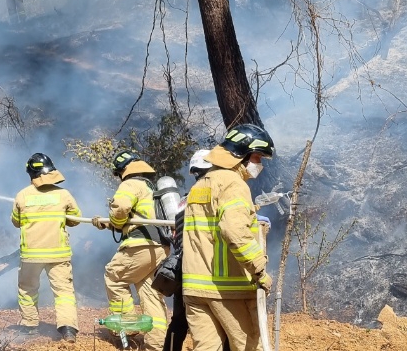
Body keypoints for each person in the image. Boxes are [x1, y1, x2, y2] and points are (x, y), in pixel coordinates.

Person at [182, 124, 275, 351]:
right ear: (240, 154)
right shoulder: (233, 184)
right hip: (228, 288)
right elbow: (234, 231)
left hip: (194, 288)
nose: (258, 164)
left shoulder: (201, 185)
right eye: (257, 157)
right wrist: (260, 270)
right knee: (250, 346)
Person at [90, 150, 169, 351]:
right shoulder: (150, 186)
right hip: (161, 246)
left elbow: (120, 210)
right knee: (150, 293)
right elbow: (136, 218)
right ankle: (157, 344)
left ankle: (129, 326)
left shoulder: (130, 184)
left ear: (122, 170)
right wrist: (107, 224)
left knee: (114, 276)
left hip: (140, 245)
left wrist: (114, 221)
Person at [163, 149, 232, 351]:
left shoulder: (184, 199)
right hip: (209, 269)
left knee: (178, 322)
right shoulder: (215, 194)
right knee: (222, 323)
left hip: (183, 268)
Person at [11, 153, 82, 343]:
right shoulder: (63, 194)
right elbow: (75, 220)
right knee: (63, 291)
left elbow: (16, 222)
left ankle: (30, 325)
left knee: (27, 289)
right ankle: (68, 329)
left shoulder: (22, 195)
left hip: (31, 255)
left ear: (32, 174)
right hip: (58, 253)